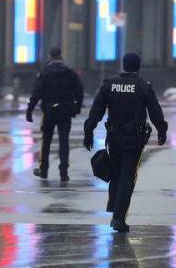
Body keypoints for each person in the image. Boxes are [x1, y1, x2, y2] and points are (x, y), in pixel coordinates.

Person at [83, 52, 168, 233]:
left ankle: (114, 208)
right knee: (127, 177)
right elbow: (155, 111)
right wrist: (162, 129)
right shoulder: (143, 86)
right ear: (138, 67)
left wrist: (88, 130)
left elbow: (96, 109)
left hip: (113, 137)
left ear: (123, 65)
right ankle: (119, 218)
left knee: (116, 173)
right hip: (133, 139)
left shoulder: (109, 85)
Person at [26, 47, 84, 181]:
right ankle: (64, 172)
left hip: (49, 110)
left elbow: (36, 92)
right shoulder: (69, 71)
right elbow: (79, 91)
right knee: (64, 141)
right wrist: (77, 107)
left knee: (46, 140)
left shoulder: (45, 72)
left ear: (50, 56)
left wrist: (30, 109)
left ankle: (44, 170)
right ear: (60, 55)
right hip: (65, 110)